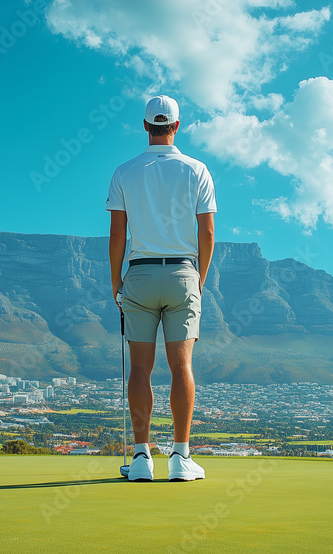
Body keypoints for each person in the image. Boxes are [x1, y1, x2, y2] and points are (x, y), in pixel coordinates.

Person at [106, 95, 216, 482]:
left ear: (144, 126)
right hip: (183, 274)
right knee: (181, 366)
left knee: (140, 367)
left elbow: (118, 232)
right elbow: (206, 231)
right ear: (177, 126)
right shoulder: (197, 169)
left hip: (138, 274)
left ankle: (140, 459)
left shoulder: (124, 171)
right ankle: (181, 459)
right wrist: (198, 282)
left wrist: (115, 279)